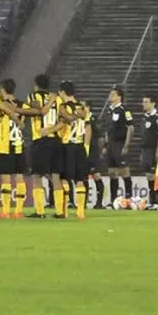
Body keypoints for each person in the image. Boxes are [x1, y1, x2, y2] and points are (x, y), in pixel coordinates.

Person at [18, 74, 63, 217]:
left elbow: (37, 110)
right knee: (55, 176)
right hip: (56, 140)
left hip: (40, 140)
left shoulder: (33, 96)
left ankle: (40, 211)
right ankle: (60, 212)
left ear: (36, 85)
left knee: (36, 175)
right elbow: (63, 118)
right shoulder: (58, 99)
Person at [0, 80, 28, 219]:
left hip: (5, 146)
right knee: (19, 178)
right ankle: (18, 210)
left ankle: (6, 210)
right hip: (19, 145)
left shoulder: (2, 104)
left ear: (2, 90)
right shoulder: (22, 105)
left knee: (6, 179)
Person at [57, 81, 88, 219]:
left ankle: (64, 210)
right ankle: (80, 212)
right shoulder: (82, 107)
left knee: (64, 178)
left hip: (67, 145)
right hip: (80, 145)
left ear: (63, 92)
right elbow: (85, 120)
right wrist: (79, 114)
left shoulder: (63, 106)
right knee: (79, 179)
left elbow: (67, 119)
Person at [105, 87, 135, 204]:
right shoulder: (109, 110)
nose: (110, 96)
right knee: (112, 172)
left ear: (119, 97)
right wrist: (106, 144)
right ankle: (113, 200)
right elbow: (107, 129)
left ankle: (129, 199)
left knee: (124, 171)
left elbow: (130, 128)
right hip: (111, 144)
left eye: (113, 94)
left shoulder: (124, 110)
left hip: (120, 143)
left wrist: (126, 145)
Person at [141, 95, 158, 209]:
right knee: (149, 176)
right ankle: (152, 202)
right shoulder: (144, 117)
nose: (143, 104)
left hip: (153, 150)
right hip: (145, 150)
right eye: (143, 102)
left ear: (153, 103)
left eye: (146, 102)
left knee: (155, 176)